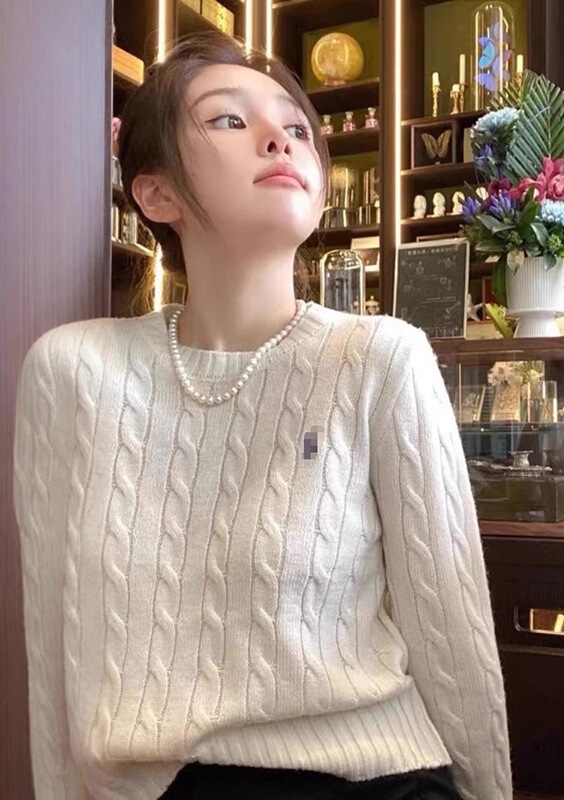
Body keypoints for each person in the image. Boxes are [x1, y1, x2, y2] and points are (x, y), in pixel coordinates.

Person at [13, 31, 513, 800]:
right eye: (228, 119)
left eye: (298, 127)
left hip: (373, 777)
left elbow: (452, 633)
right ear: (155, 194)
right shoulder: (74, 370)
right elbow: (55, 651)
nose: (281, 138)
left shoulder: (379, 358)